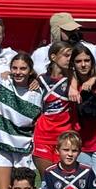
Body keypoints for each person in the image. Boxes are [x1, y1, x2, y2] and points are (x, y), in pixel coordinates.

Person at [0, 52, 44, 189]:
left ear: (30, 71)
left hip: (25, 148)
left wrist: (38, 79)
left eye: (23, 68)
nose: (18, 72)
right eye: (14, 68)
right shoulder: (3, 82)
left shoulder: (39, 90)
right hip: (1, 145)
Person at [32, 42, 76, 177]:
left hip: (65, 136)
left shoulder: (74, 79)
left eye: (72, 56)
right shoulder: (41, 80)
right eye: (66, 55)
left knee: (62, 179)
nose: (69, 59)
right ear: (53, 57)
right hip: (43, 135)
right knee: (47, 179)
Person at [69, 45, 96, 186]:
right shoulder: (69, 84)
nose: (83, 64)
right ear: (73, 64)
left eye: (87, 60)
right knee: (82, 185)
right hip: (79, 143)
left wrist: (93, 79)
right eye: (78, 61)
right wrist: (72, 85)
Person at [29, 12, 96, 72]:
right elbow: (34, 74)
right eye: (68, 30)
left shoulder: (89, 49)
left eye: (74, 29)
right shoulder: (42, 53)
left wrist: (94, 77)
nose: (73, 33)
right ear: (56, 31)